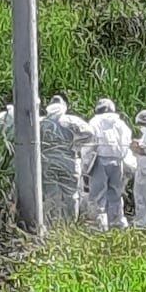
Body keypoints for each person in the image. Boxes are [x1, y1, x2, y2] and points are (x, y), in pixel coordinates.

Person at [39, 94, 94, 226]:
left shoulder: (41, 122)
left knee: (51, 195)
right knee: (71, 195)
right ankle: (70, 225)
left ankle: (52, 226)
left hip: (48, 163)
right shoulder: (70, 120)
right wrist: (76, 143)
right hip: (69, 162)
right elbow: (90, 133)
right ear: (64, 106)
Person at [82, 98, 133, 231]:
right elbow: (127, 140)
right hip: (117, 161)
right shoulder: (120, 123)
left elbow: (89, 143)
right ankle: (116, 223)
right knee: (115, 193)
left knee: (98, 194)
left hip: (100, 160)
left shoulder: (95, 122)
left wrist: (85, 163)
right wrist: (120, 154)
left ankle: (98, 225)